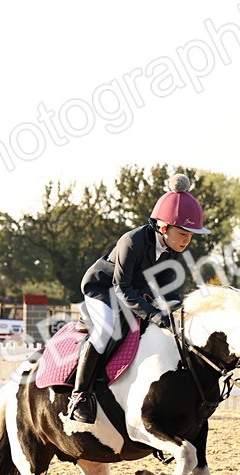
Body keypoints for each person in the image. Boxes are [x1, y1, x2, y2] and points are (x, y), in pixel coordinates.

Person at [66, 173, 208, 423]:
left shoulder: (172, 250)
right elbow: (121, 287)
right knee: (106, 329)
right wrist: (154, 314)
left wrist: (178, 312)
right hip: (103, 289)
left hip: (134, 293)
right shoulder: (132, 241)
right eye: (183, 232)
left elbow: (167, 288)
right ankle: (80, 395)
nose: (188, 239)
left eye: (191, 234)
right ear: (163, 227)